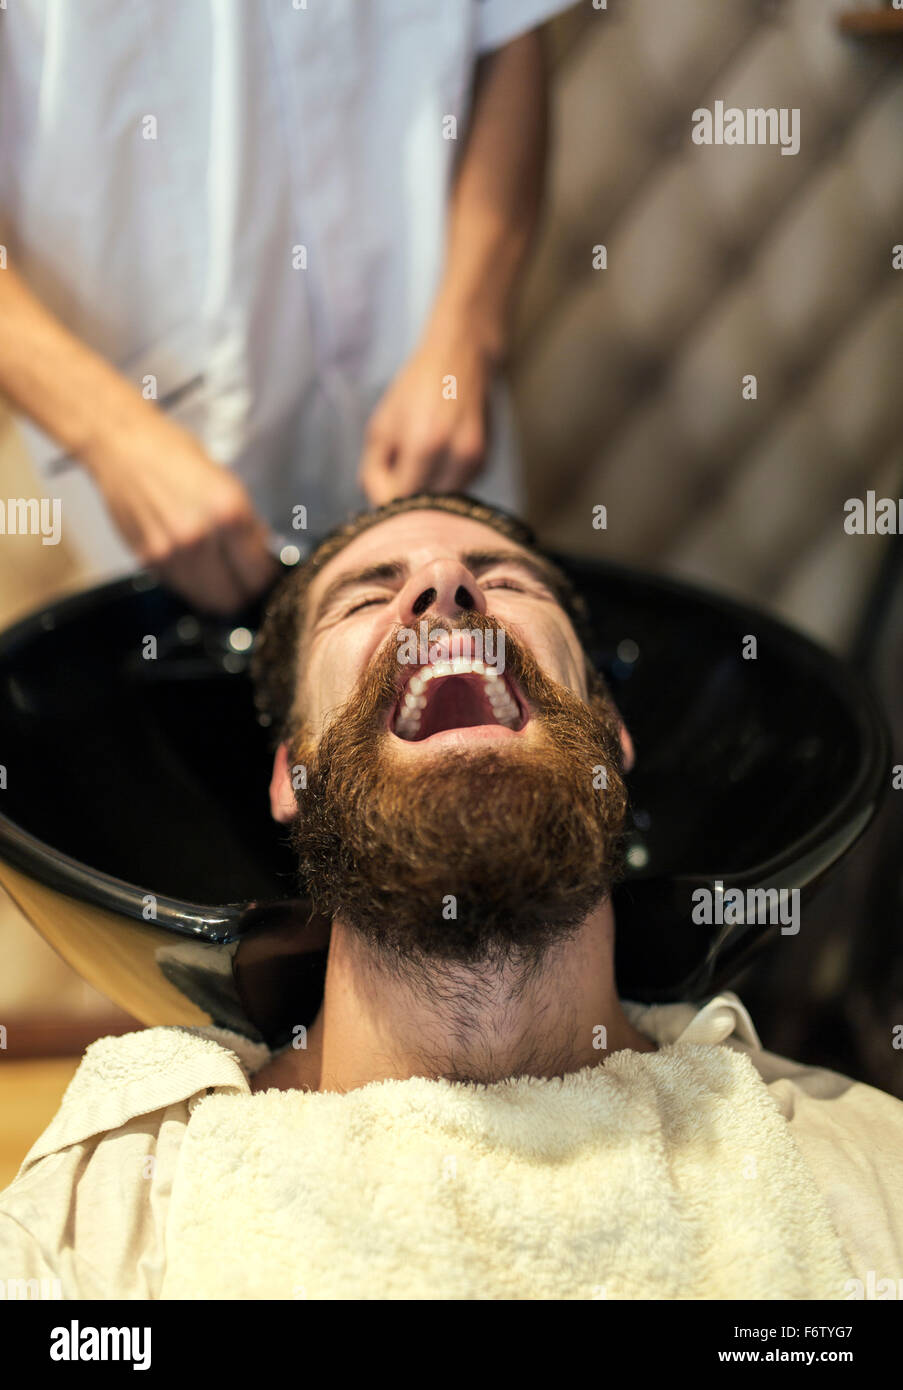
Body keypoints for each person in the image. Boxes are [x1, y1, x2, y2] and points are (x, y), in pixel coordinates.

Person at [1, 493, 901, 1300]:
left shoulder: (859, 1173)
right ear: (292, 774)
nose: (443, 585)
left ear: (613, 736)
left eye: (504, 580)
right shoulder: (97, 1226)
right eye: (363, 596)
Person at [0, 0, 571, 612]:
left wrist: (466, 337)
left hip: (448, 434)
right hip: (161, 491)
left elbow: (510, 33)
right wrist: (111, 436)